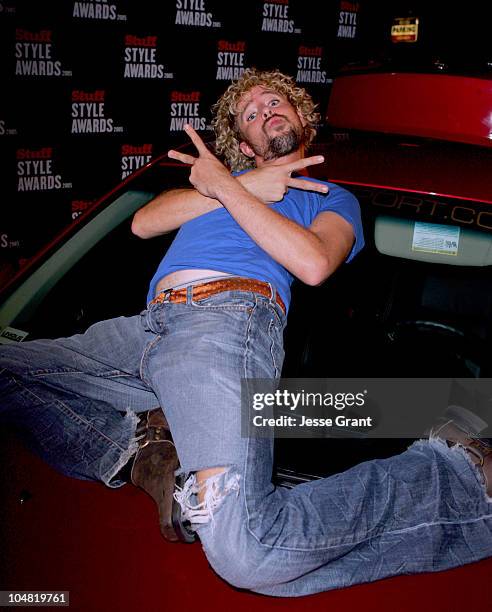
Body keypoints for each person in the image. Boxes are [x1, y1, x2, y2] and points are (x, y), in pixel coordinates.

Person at [0, 68, 491, 597]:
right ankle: (137, 451)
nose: (266, 112)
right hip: (147, 330)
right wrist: (235, 186)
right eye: (250, 115)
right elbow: (145, 222)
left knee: (248, 554)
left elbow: (314, 263)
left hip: (226, 324)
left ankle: (450, 476)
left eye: (275, 102)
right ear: (242, 144)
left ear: (302, 116)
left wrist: (230, 190)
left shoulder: (329, 197)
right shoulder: (217, 188)